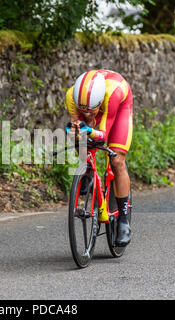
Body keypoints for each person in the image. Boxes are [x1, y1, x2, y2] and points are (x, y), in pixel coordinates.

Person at [65, 69, 133, 246]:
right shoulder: (72, 97)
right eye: (83, 111)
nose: (87, 115)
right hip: (94, 103)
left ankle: (124, 221)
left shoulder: (112, 95)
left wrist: (91, 129)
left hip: (118, 108)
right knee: (83, 141)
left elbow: (103, 133)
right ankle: (88, 173)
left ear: (100, 101)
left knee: (117, 160)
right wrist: (76, 131)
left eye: (91, 110)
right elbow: (78, 129)